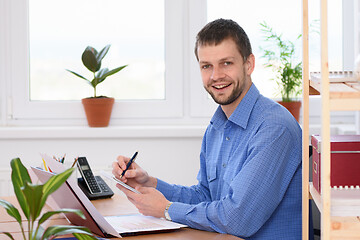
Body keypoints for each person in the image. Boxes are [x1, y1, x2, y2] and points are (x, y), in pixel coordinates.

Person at [112, 18, 302, 239]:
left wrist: (166, 209)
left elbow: (237, 219)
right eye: (206, 66)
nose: (216, 76)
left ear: (249, 64)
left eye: (226, 63)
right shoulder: (217, 127)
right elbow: (206, 196)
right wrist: (150, 183)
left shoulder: (274, 128)